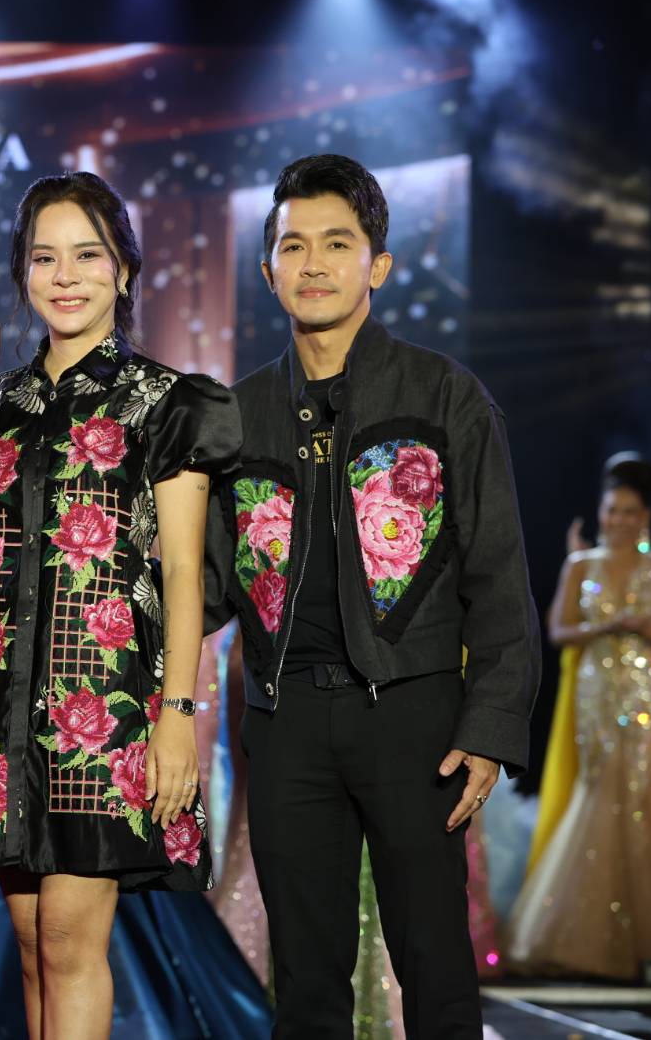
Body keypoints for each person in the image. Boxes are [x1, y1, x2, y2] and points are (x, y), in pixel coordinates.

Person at [204, 153, 541, 1039]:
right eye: (292, 245)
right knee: (304, 981)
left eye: (335, 243)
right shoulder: (236, 415)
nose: (311, 263)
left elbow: (498, 574)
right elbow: (201, 581)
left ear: (376, 265)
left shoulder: (443, 395)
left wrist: (489, 726)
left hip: (414, 718)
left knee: (434, 966)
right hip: (285, 723)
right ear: (267, 268)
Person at [0, 172, 244, 1040]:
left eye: (87, 256)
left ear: (123, 270)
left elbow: (182, 571)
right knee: (33, 942)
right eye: (44, 258)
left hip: (101, 707)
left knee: (72, 940)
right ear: (22, 272)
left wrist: (177, 714)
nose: (64, 276)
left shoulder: (165, 401)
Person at [509, 453, 651, 979]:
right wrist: (605, 627)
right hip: (597, 689)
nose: (619, 520)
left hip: (649, 691)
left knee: (648, 794)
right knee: (599, 788)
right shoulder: (581, 564)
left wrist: (644, 629)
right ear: (601, 511)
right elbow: (557, 629)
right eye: (612, 509)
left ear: (644, 516)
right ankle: (589, 940)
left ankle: (650, 940)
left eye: (629, 511)